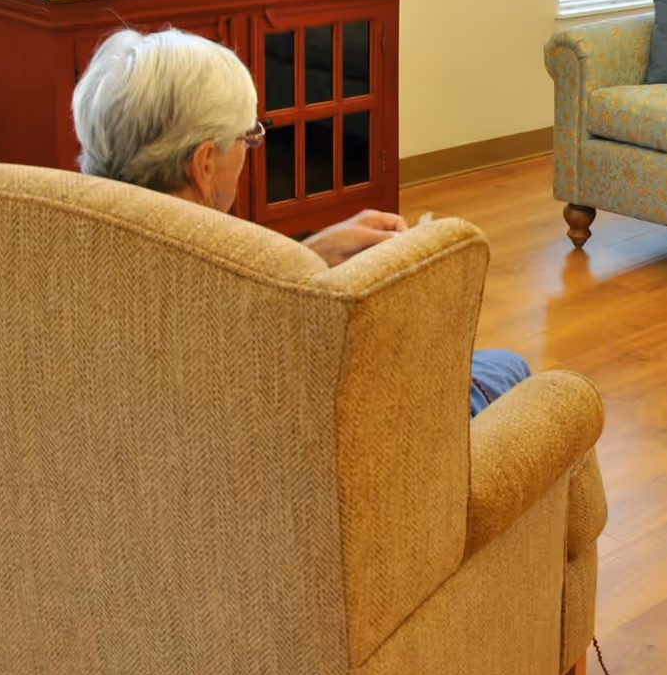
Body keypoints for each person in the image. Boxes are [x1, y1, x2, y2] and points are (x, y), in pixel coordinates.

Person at [71, 27, 529, 415]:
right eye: (248, 138)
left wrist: (308, 257)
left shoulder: (71, 251)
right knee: (507, 367)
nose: (249, 152)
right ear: (205, 164)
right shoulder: (239, 313)